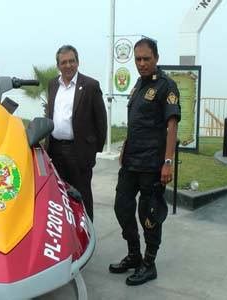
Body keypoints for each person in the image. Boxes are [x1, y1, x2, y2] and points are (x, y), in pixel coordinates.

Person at [108, 38, 181, 286]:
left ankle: (149, 264)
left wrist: (168, 161)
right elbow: (136, 122)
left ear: (156, 58)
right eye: (137, 59)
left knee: (149, 215)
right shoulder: (138, 85)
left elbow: (172, 126)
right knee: (122, 207)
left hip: (152, 163)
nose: (141, 63)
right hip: (131, 162)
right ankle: (134, 254)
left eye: (146, 59)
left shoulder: (166, 87)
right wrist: (125, 147)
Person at [46, 45, 107, 221]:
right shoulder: (52, 85)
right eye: (64, 62)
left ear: (78, 62)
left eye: (72, 61)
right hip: (55, 150)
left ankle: (87, 237)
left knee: (82, 196)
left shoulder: (90, 86)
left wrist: (93, 150)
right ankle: (66, 239)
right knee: (59, 196)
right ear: (58, 65)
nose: (68, 65)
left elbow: (100, 121)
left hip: (78, 152)